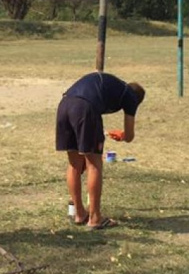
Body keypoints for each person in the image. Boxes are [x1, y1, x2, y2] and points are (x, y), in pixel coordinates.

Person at [55, 72, 145, 229]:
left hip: (65, 104)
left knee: (74, 164)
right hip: (85, 107)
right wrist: (123, 135)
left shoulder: (116, 86)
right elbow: (129, 136)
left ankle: (79, 213)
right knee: (94, 164)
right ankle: (95, 218)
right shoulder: (131, 96)